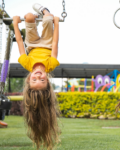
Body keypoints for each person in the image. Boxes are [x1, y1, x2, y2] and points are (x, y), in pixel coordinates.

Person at [13, 3, 60, 150]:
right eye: (42, 80)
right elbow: (55, 42)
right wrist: (57, 24)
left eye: (34, 79)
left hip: (32, 44)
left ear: (28, 79)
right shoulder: (51, 64)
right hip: (47, 43)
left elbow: (20, 42)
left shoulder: (27, 64)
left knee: (28, 16)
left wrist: (15, 24)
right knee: (47, 19)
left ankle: (37, 16)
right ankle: (45, 11)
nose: (38, 76)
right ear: (48, 80)